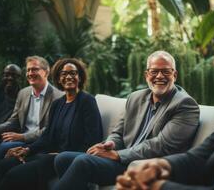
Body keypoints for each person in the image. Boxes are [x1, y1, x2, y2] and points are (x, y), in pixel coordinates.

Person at [116, 10, 214, 190]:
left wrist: (158, 187)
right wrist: (161, 166)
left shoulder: (184, 104)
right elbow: (202, 156)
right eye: (154, 72)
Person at [52, 51, 200, 190]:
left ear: (174, 74)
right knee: (62, 158)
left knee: (82, 162)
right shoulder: (136, 98)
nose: (159, 76)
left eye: (166, 71)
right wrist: (110, 145)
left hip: (145, 167)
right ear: (146, 75)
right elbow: (118, 131)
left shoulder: (185, 105)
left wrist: (117, 155)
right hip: (123, 159)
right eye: (154, 71)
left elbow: (161, 146)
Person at [0, 58, 103, 190]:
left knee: (13, 176)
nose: (69, 77)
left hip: (65, 159)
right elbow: (47, 136)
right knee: (2, 166)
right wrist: (27, 150)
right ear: (58, 79)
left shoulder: (87, 102)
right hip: (47, 154)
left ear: (80, 77)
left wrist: (60, 155)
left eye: (73, 73)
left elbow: (93, 140)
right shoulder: (58, 104)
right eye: (64, 74)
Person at [0, 56, 63, 160]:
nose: (30, 73)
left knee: (4, 147)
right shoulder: (23, 93)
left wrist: (22, 137)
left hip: (41, 142)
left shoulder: (58, 96)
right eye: (28, 70)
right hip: (21, 140)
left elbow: (49, 129)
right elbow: (13, 121)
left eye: (35, 69)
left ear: (46, 72)